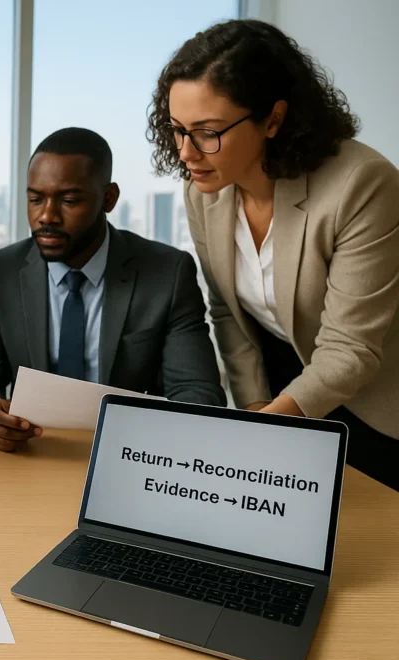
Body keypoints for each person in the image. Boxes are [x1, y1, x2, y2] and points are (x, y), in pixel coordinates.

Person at [150, 19, 399, 489]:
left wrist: (265, 429)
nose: (185, 152)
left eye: (206, 132)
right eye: (177, 129)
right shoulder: (204, 189)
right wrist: (253, 407)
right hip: (277, 385)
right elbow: (226, 310)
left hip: (374, 401)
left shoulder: (363, 184)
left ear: (274, 119)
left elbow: (350, 349)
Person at [0, 127, 225, 452]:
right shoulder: (0, 270)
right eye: (35, 199)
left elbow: (197, 392)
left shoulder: (166, 273)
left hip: (129, 453)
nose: (47, 215)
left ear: (109, 198)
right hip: (33, 454)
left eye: (69, 200)